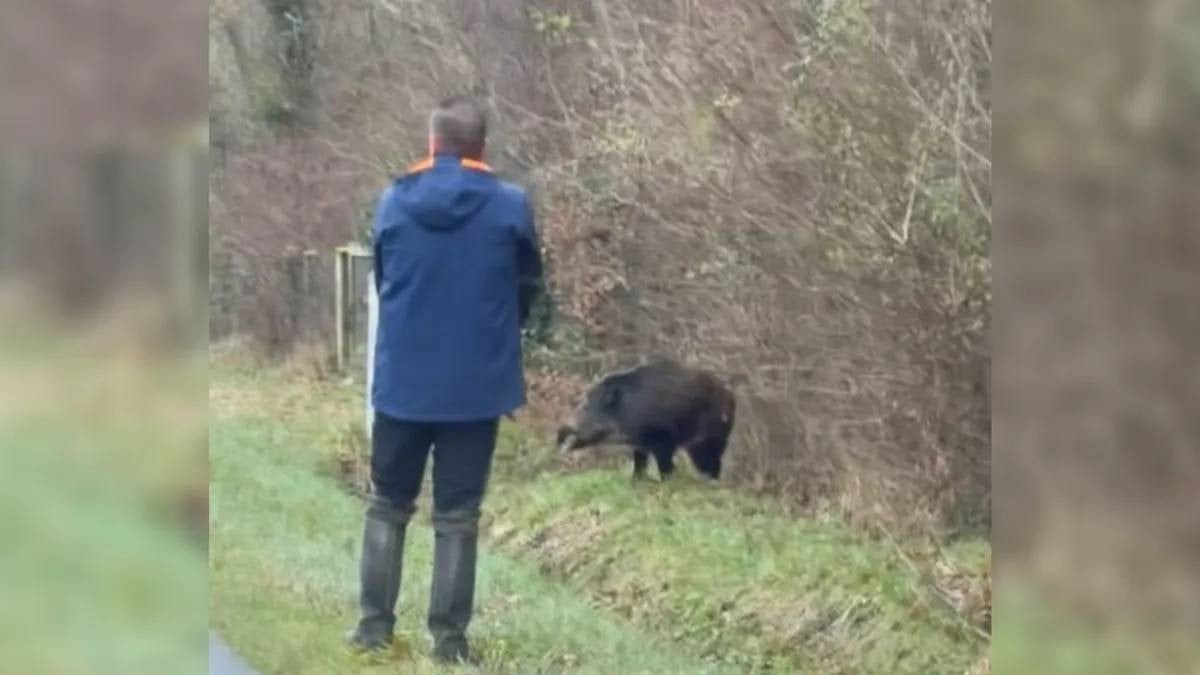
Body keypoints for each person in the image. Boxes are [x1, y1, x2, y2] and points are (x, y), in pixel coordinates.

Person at [345, 95, 543, 664]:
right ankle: (449, 643)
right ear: (481, 146)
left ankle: (372, 629)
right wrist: (495, 335)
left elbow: (384, 280)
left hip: (403, 382)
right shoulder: (510, 206)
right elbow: (527, 286)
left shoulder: (393, 201)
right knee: (458, 515)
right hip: (476, 387)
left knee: (387, 503)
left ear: (433, 145)